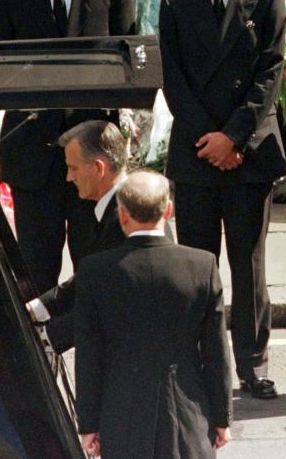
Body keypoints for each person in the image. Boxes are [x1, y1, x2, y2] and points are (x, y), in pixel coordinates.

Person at [159, 0, 286, 399]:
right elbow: (175, 81)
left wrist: (233, 138)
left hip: (249, 152)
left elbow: (269, 75)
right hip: (197, 153)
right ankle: (200, 361)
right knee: (197, 265)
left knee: (248, 264)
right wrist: (210, 141)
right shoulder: (175, 0)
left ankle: (254, 363)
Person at [0, 0, 136, 295]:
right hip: (34, 157)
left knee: (98, 272)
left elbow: (130, 72)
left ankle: (98, 355)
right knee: (35, 278)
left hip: (94, 159)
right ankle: (42, 357)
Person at [74, 170, 231, 458]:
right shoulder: (202, 266)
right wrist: (222, 418)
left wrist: (89, 423)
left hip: (122, 413)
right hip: (188, 412)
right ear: (168, 211)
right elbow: (216, 351)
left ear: (122, 215)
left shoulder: (94, 271)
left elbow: (89, 354)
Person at [26, 120, 128, 354]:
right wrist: (37, 308)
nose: (68, 178)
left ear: (99, 168)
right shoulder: (114, 208)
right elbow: (92, 275)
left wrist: (47, 338)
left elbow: (108, 297)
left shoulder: (125, 218)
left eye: (73, 168)